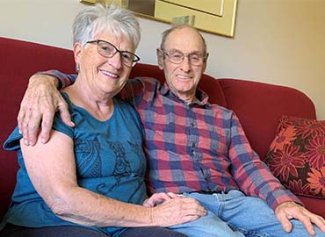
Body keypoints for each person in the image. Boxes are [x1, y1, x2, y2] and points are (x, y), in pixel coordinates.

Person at [16, 23, 325, 237]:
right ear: (161, 59)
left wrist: (282, 201)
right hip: (180, 202)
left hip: (236, 200)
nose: (185, 67)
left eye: (194, 57)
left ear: (204, 62)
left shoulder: (225, 117)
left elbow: (249, 165)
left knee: (306, 230)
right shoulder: (140, 93)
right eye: (176, 56)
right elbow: (94, 82)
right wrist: (44, 80)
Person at [0, 5, 208, 237]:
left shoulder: (130, 110)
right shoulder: (49, 105)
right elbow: (62, 201)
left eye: (126, 55)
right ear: (78, 52)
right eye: (105, 48)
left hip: (126, 225)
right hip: (51, 222)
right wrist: (153, 216)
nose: (117, 63)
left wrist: (148, 203)